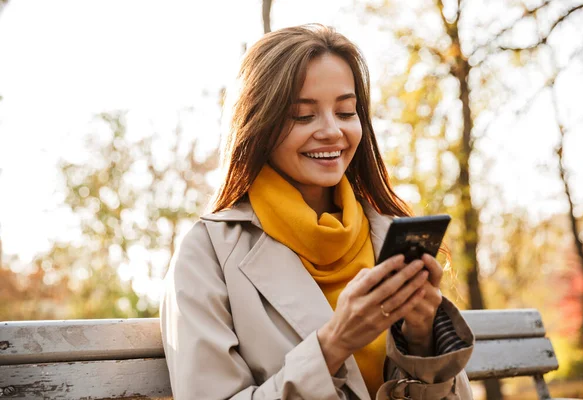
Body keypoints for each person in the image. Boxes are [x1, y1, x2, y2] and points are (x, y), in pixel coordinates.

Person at [160, 24, 474, 400]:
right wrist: (333, 344)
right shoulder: (207, 253)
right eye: (303, 116)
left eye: (345, 111)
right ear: (258, 125)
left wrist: (422, 339)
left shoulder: (386, 234)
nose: (332, 131)